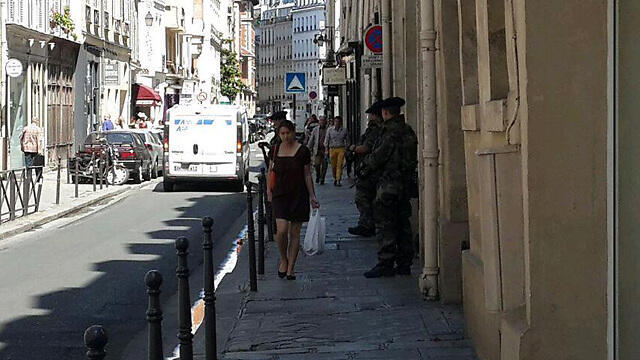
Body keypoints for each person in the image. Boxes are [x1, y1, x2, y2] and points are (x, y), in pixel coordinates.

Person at [363, 97, 418, 278]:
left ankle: (386, 261)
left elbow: (377, 157)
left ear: (386, 113)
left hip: (388, 184)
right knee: (403, 223)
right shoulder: (407, 130)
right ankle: (404, 262)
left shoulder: (389, 133)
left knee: (385, 223)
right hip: (405, 183)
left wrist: (364, 168)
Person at [267, 120, 320, 280]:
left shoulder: (302, 151)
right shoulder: (275, 150)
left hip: (298, 194)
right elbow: (271, 171)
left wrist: (312, 196)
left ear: (293, 131)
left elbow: (307, 174)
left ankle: (291, 268)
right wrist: (269, 191)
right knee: (281, 231)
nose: (285, 136)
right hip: (280, 194)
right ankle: (283, 259)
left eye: (288, 133)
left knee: (295, 233)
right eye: (282, 134)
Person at [348, 100, 384, 237]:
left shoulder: (375, 130)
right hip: (372, 169)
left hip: (371, 170)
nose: (368, 117)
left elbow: (365, 148)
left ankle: (367, 224)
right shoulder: (379, 129)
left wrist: (353, 149)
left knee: (362, 197)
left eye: (370, 115)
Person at [323, 116, 349, 186]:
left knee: (339, 165)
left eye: (338, 122)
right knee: (333, 165)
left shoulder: (344, 130)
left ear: (341, 123)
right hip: (332, 149)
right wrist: (326, 150)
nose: (337, 123)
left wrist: (346, 148)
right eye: (336, 122)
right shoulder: (330, 130)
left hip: (341, 148)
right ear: (334, 122)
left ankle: (338, 180)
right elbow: (327, 140)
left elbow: (347, 140)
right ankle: (334, 177)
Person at [306, 116, 329, 184]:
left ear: (325, 121)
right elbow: (312, 140)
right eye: (321, 120)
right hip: (317, 150)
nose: (322, 122)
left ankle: (322, 179)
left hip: (325, 150)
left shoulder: (328, 130)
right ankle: (318, 175)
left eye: (323, 120)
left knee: (325, 166)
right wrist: (308, 148)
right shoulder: (315, 130)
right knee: (317, 164)